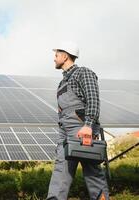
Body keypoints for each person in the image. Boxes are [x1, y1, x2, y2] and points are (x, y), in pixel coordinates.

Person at [46, 41, 109, 200]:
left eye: (56, 55)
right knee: (61, 170)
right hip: (65, 131)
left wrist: (88, 125)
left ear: (65, 56)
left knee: (92, 173)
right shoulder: (62, 83)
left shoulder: (83, 73)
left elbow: (93, 100)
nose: (54, 58)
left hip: (82, 128)